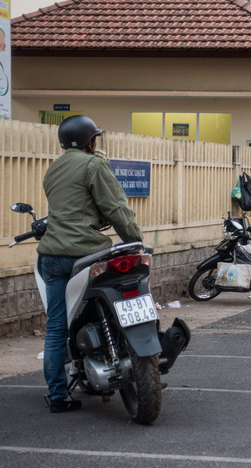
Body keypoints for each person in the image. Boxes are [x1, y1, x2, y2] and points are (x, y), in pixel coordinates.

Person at [38, 115, 143, 413]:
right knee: (112, 304)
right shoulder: (94, 165)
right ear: (90, 141)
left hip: (52, 258)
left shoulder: (53, 170)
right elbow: (115, 208)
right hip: (86, 255)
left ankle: (58, 396)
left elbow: (68, 207)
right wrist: (134, 239)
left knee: (57, 326)